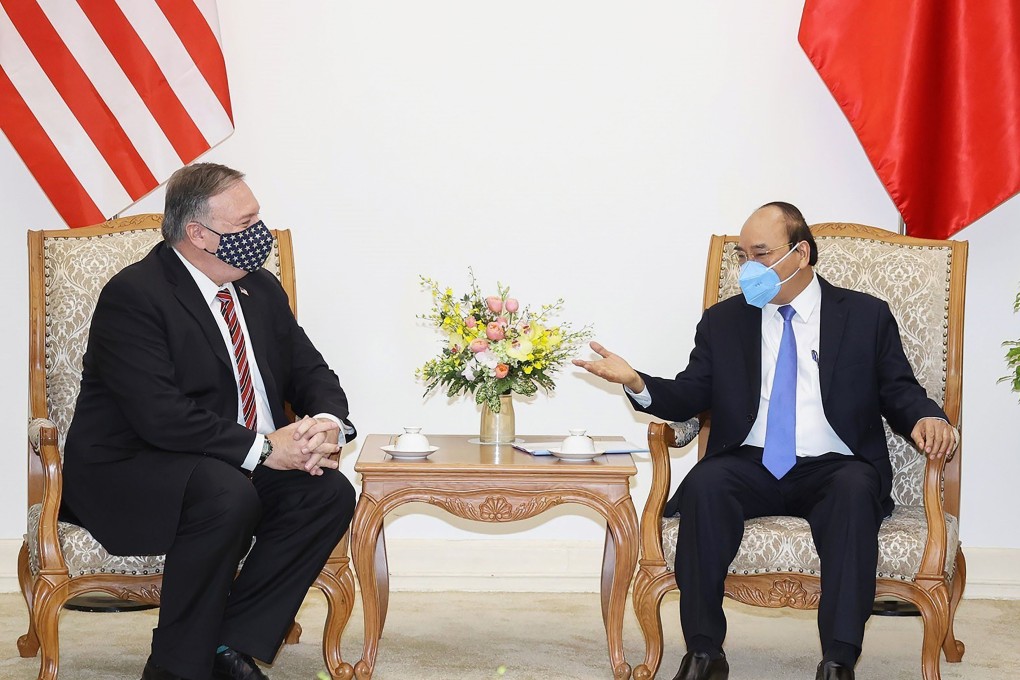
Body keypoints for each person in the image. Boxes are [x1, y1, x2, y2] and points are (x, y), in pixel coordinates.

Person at [573, 202, 956, 680]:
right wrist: (637, 382)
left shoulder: (865, 316)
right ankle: (704, 653)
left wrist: (927, 417)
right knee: (707, 484)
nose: (747, 268)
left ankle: (838, 660)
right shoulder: (724, 321)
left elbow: (898, 388)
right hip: (750, 462)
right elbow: (691, 392)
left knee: (855, 491)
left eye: (760, 254)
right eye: (742, 256)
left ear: (801, 254)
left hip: (835, 465)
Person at [61, 163, 358, 680]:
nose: (260, 233)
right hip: (137, 465)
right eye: (245, 224)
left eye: (258, 218)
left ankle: (229, 646)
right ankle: (175, 667)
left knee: (327, 493)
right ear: (198, 234)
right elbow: (160, 416)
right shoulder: (135, 295)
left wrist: (328, 423)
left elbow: (309, 370)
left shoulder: (260, 288)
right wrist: (268, 450)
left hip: (231, 460)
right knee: (225, 492)